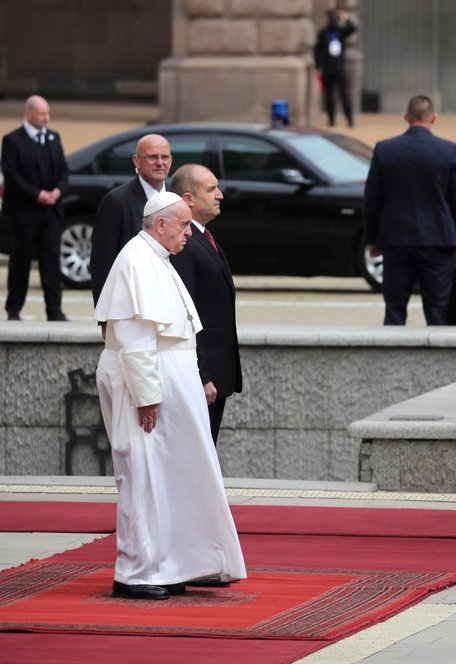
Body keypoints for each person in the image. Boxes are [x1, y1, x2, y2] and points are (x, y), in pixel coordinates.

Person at [94, 191, 246, 600]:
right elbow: (133, 338)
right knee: (142, 476)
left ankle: (169, 563)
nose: (188, 233)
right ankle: (136, 571)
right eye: (182, 226)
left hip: (169, 383)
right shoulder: (135, 260)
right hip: (144, 387)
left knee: (171, 476)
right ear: (160, 224)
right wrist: (146, 395)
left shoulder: (156, 257)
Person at [363, 95, 456, 325]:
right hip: (438, 241)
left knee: (394, 310)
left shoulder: (385, 149)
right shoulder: (448, 150)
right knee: (437, 311)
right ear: (433, 118)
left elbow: (372, 199)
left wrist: (372, 238)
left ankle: (391, 359)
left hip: (396, 240)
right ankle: (437, 360)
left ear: (406, 117)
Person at [169, 164, 242, 444]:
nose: (220, 195)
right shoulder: (185, 243)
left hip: (217, 373)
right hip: (202, 377)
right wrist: (202, 375)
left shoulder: (201, 236)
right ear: (188, 199)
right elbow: (188, 314)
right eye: (211, 189)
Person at [1, 95, 69, 321]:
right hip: (24, 213)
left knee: (51, 260)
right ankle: (14, 309)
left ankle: (54, 310)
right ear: (29, 114)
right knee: (21, 260)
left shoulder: (53, 137)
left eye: (47, 113)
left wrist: (57, 192)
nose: (46, 118)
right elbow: (12, 176)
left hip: (51, 213)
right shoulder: (12, 140)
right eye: (42, 114)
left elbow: (63, 171)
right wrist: (37, 195)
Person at [90, 133, 172, 306]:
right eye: (152, 157)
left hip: (170, 301)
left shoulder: (177, 198)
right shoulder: (116, 201)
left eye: (164, 157)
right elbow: (102, 262)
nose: (160, 162)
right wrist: (104, 316)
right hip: (131, 303)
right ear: (136, 161)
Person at [314, 8, 357, 128]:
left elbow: (353, 28)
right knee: (329, 95)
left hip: (340, 67)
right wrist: (318, 67)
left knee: (344, 94)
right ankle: (331, 119)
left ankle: (349, 119)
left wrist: (345, 17)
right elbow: (318, 51)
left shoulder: (341, 31)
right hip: (328, 68)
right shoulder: (323, 33)